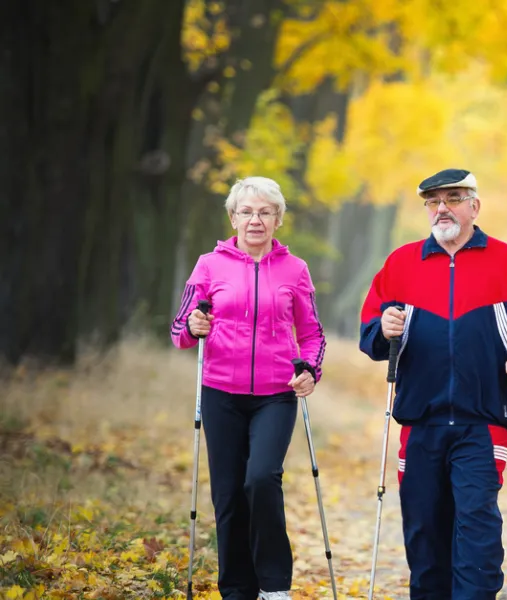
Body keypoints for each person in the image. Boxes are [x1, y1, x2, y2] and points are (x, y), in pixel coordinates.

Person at [358, 168, 507, 599]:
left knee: (477, 529)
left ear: (474, 206)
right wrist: (383, 328)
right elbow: (371, 334)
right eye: (433, 201)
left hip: (482, 423)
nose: (442, 208)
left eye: (453, 198)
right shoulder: (401, 264)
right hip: (419, 421)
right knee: (425, 531)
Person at [170, 176, 327, 600]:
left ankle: (274, 586)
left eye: (265, 212)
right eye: (246, 211)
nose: (255, 220)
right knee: (227, 494)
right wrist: (193, 326)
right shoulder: (208, 265)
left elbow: (312, 334)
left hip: (277, 393)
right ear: (233, 217)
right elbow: (179, 331)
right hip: (221, 391)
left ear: (278, 220)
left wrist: (310, 369)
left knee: (260, 479)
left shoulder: (295, 270)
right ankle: (238, 589)